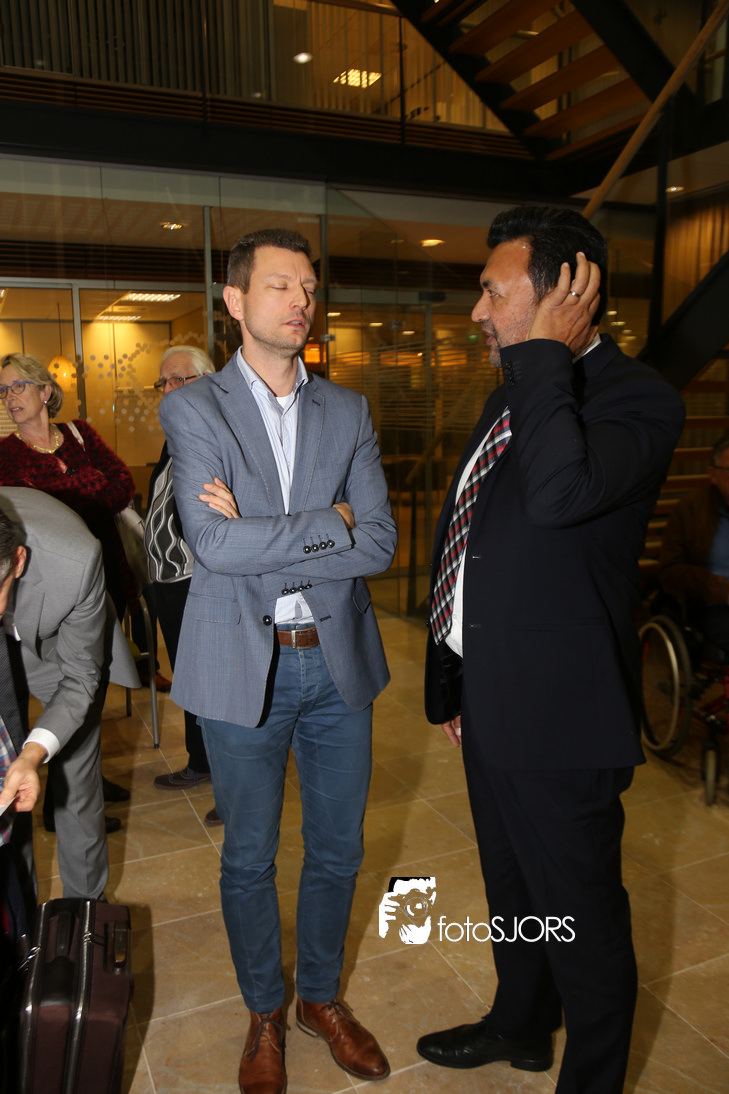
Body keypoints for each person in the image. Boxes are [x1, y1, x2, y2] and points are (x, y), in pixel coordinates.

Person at [418, 206, 685, 1094]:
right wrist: (455, 681)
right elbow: (472, 541)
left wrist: (543, 354)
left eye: (493, 293)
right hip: (490, 699)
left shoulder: (638, 399)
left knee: (582, 918)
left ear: (566, 294)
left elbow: (559, 495)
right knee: (512, 891)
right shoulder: (512, 393)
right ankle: (521, 1024)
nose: (477, 312)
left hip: (562, 720)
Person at [159, 228, 397, 1094]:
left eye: (308, 286)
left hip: (336, 664)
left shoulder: (349, 410)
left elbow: (379, 542)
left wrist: (266, 534)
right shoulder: (194, 407)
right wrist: (329, 523)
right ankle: (265, 1009)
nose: (301, 301)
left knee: (338, 849)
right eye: (279, 285)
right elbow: (214, 546)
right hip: (239, 664)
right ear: (234, 301)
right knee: (249, 856)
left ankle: (318, 999)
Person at [0, 488, 139, 901]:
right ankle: (18, 913)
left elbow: (80, 678)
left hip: (56, 651)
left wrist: (31, 754)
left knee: (76, 779)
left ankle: (85, 908)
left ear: (18, 562)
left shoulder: (75, 560)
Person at [146, 345, 231, 826]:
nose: (168, 389)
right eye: (163, 382)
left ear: (207, 380)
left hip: (201, 583)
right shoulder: (175, 435)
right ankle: (200, 761)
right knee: (189, 684)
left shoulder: (217, 434)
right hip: (170, 584)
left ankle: (234, 789)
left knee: (214, 689)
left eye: (178, 379)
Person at [658, 429, 729, 648]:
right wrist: (718, 587)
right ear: (713, 474)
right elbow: (670, 571)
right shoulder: (692, 508)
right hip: (713, 606)